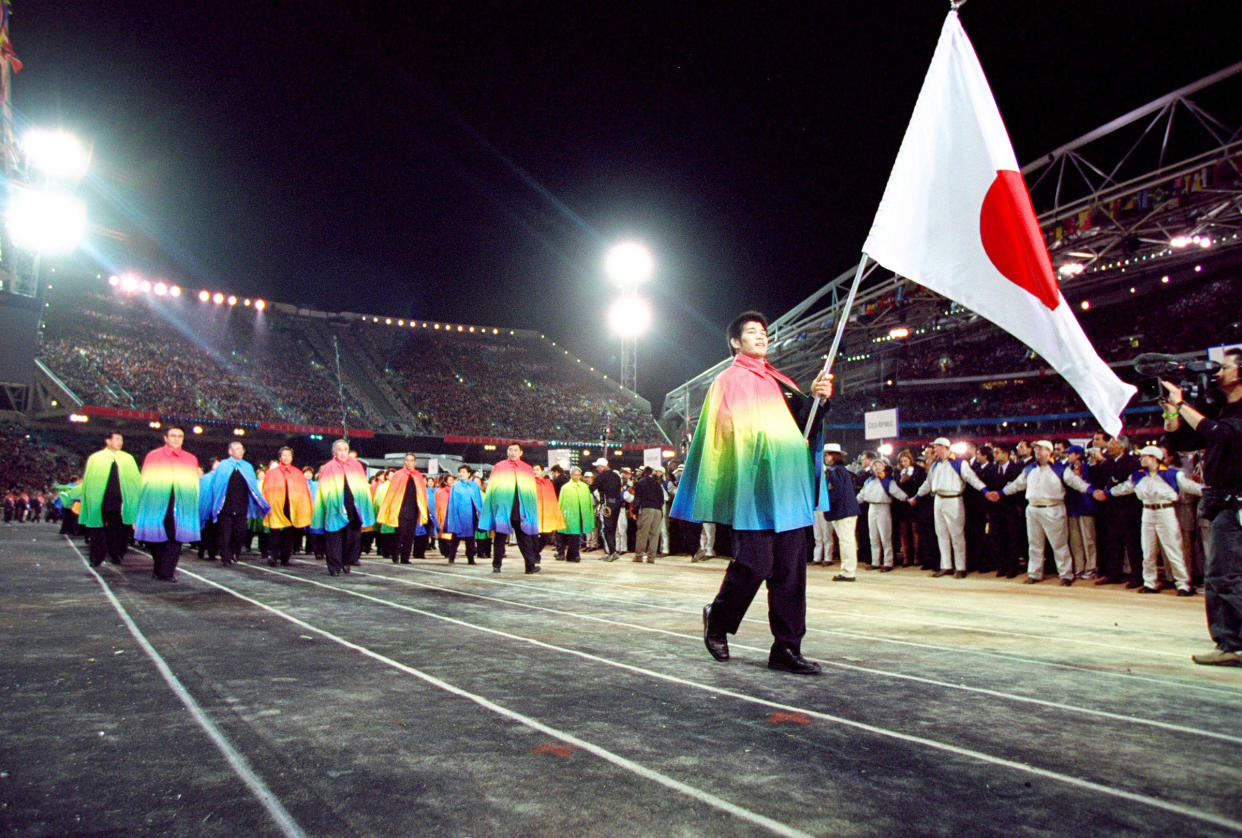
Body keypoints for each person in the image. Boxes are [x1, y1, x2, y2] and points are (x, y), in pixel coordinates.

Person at [671, 310, 833, 675]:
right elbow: (725, 437)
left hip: (788, 488)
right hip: (754, 487)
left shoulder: (781, 382)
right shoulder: (729, 382)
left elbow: (805, 426)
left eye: (764, 331)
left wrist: (819, 400)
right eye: (752, 332)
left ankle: (787, 648)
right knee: (755, 563)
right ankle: (719, 617)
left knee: (791, 573)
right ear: (735, 341)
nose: (762, 336)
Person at [1161, 349, 1242, 665]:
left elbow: (1219, 433)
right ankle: (1229, 643)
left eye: (1225, 367)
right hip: (1223, 503)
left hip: (1235, 504)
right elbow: (1182, 443)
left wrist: (1182, 404)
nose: (1217, 372)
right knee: (1222, 575)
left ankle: (1234, 644)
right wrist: (1171, 414)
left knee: (1227, 576)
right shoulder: (1224, 409)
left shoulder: (1235, 416)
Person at [991, 439, 1095, 586]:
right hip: (1033, 508)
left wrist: (1092, 491)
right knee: (1034, 544)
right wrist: (1001, 493)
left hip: (1053, 508)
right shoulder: (1029, 469)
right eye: (1036, 449)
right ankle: (1034, 573)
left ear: (1049, 452)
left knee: (1059, 544)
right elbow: (1017, 485)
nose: (1037, 451)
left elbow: (1076, 483)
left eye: (1040, 449)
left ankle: (1066, 574)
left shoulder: (1060, 469)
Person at [1101, 445, 1202, 596]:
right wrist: (1107, 493)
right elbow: (1124, 488)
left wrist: (1207, 490)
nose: (1141, 459)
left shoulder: (1172, 474)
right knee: (1148, 549)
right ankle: (1150, 582)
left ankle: (1183, 584)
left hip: (1166, 511)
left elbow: (1189, 486)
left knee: (1173, 549)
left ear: (1154, 458)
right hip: (1147, 512)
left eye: (1144, 456)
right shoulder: (1137, 476)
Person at [913, 437, 987, 578]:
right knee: (941, 534)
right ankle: (946, 566)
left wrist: (984, 490)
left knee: (957, 534)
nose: (935, 450)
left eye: (937, 447)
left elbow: (972, 478)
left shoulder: (959, 463)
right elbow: (927, 484)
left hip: (954, 499)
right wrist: (916, 497)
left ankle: (961, 567)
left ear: (946, 448)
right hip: (938, 500)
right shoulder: (935, 465)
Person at [134, 427, 201, 582]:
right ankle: (159, 568)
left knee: (176, 538)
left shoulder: (190, 459)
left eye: (180, 436)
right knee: (155, 538)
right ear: (165, 438)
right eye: (173, 436)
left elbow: (194, 485)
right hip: (156, 503)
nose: (177, 439)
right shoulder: (153, 456)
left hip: (181, 504)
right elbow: (145, 482)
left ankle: (167, 572)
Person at [310, 438, 375, 576]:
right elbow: (323, 490)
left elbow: (363, 489)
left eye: (345, 449)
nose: (343, 453)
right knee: (334, 538)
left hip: (353, 507)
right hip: (334, 508)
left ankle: (346, 562)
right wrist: (330, 505)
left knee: (353, 538)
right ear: (334, 452)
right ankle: (334, 566)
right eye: (339, 450)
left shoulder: (357, 466)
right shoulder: (329, 467)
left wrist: (363, 507)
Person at [79, 432, 141, 568]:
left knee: (119, 531)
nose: (120, 442)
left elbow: (135, 482)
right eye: (117, 439)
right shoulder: (96, 458)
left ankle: (117, 554)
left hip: (120, 503)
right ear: (108, 441)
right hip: (100, 501)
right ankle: (96, 558)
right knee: (97, 532)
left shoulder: (128, 459)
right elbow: (89, 481)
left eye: (122, 439)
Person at [206, 441, 270, 568]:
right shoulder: (223, 466)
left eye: (242, 449)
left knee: (240, 532)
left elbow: (253, 488)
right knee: (225, 533)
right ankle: (226, 557)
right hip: (225, 506)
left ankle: (235, 551)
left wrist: (261, 503)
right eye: (237, 449)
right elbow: (217, 486)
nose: (240, 451)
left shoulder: (247, 466)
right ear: (230, 451)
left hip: (241, 505)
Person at [479, 444, 541, 574]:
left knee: (524, 538)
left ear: (521, 452)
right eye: (510, 450)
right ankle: (496, 565)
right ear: (507, 452)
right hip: (503, 508)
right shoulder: (499, 467)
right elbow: (492, 489)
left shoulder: (527, 468)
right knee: (500, 538)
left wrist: (530, 511)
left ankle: (530, 566)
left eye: (515, 450)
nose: (513, 453)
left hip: (520, 509)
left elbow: (531, 493)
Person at [375, 454, 431, 564]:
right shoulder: (398, 475)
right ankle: (395, 555)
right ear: (404, 462)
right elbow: (392, 492)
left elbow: (422, 494)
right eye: (407, 460)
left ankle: (405, 557)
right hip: (400, 509)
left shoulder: (418, 476)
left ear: (415, 462)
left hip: (413, 510)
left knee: (410, 536)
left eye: (411, 461)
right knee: (399, 535)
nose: (409, 462)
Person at [262, 446, 313, 566]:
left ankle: (285, 557)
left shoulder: (297, 473)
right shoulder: (272, 473)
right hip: (276, 506)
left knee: (288, 533)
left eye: (288, 455)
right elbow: (267, 490)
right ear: (280, 457)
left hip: (291, 507)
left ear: (292, 457)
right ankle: (273, 555)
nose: (286, 458)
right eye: (284, 455)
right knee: (274, 532)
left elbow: (303, 492)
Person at [856, 457, 909, 571]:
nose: (877, 468)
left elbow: (897, 492)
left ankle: (888, 563)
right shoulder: (869, 481)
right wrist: (853, 503)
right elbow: (861, 495)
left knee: (885, 536)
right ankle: (875, 562)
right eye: (875, 465)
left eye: (879, 465)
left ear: (884, 467)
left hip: (883, 508)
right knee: (873, 536)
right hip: (872, 507)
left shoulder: (888, 481)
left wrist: (907, 499)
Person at [822, 443, 860, 580]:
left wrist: (824, 503)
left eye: (828, 454)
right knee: (846, 541)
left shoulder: (836, 471)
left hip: (844, 511)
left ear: (835, 456)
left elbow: (836, 492)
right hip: (846, 511)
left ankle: (848, 572)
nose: (826, 457)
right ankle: (848, 570)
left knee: (846, 542)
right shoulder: (839, 470)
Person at [444, 465, 483, 564]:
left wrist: (480, 514)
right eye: (460, 472)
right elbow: (452, 503)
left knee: (470, 539)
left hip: (471, 517)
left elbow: (478, 502)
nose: (461, 474)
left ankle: (471, 558)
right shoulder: (456, 486)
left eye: (464, 472)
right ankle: (451, 557)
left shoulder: (474, 486)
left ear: (469, 474)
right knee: (455, 538)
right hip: (459, 516)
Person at [557, 466, 595, 563]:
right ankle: (574, 555)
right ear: (571, 475)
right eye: (575, 474)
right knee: (573, 535)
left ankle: (571, 555)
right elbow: (561, 502)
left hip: (582, 515)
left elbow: (588, 502)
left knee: (576, 535)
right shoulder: (565, 487)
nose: (577, 477)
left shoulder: (584, 487)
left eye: (578, 475)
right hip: (570, 515)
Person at [591, 458, 623, 561]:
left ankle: (611, 552)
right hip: (616, 504)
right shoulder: (617, 476)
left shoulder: (601, 477)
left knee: (605, 529)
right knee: (613, 528)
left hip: (607, 504)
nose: (597, 469)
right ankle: (612, 550)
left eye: (598, 467)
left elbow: (591, 488)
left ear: (602, 466)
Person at [632, 466, 664, 563]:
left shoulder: (641, 482)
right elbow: (662, 499)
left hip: (647, 509)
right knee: (654, 534)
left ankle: (639, 556)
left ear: (643, 473)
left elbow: (638, 498)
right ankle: (651, 557)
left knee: (643, 533)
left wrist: (635, 511)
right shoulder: (657, 484)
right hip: (658, 510)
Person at [532, 464, 567, 550]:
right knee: (533, 536)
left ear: (542, 471)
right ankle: (534, 555)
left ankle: (536, 552)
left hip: (546, 515)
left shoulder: (549, 483)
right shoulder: (529, 483)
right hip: (534, 514)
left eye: (537, 470)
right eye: (533, 470)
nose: (535, 472)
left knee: (546, 536)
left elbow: (553, 499)